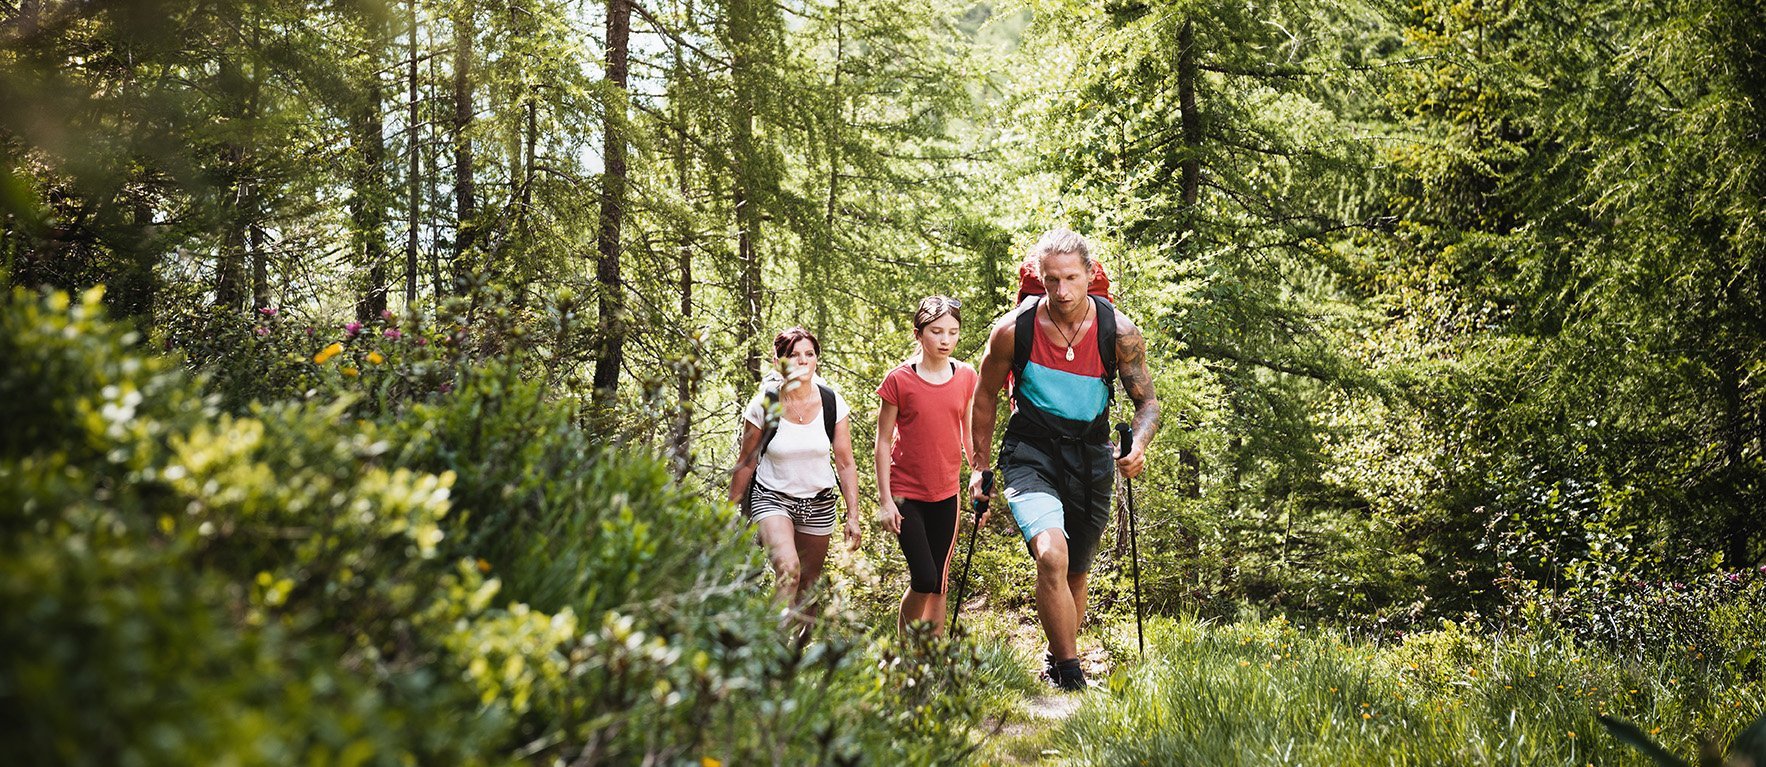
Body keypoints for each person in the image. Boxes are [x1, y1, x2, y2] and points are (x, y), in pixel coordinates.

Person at [968, 229, 1160, 691]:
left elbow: (1147, 403)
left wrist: (1138, 444)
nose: (1061, 291)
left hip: (1091, 453)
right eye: (1051, 279)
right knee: (1051, 555)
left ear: (1090, 275)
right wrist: (979, 465)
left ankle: (1058, 657)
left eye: (1071, 278)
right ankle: (1071, 676)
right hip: (1029, 450)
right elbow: (984, 396)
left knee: (1075, 567)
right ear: (1039, 276)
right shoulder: (1014, 331)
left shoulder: (1120, 332)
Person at [729, 327, 864, 614]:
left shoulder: (832, 402)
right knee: (789, 571)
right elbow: (746, 461)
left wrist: (853, 516)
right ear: (779, 362)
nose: (803, 361)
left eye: (809, 354)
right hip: (772, 498)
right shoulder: (764, 405)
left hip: (819, 503)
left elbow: (845, 462)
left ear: (816, 359)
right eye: (794, 355)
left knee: (808, 590)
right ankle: (770, 650)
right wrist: (727, 513)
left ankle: (797, 653)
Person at [875, 296, 980, 636]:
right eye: (936, 332)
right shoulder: (899, 380)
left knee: (939, 582)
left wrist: (977, 472)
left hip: (946, 492)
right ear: (919, 334)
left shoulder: (966, 376)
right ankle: (905, 653)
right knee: (923, 577)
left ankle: (932, 656)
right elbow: (882, 441)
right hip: (906, 495)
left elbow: (966, 430)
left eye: (953, 332)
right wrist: (885, 500)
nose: (946, 340)